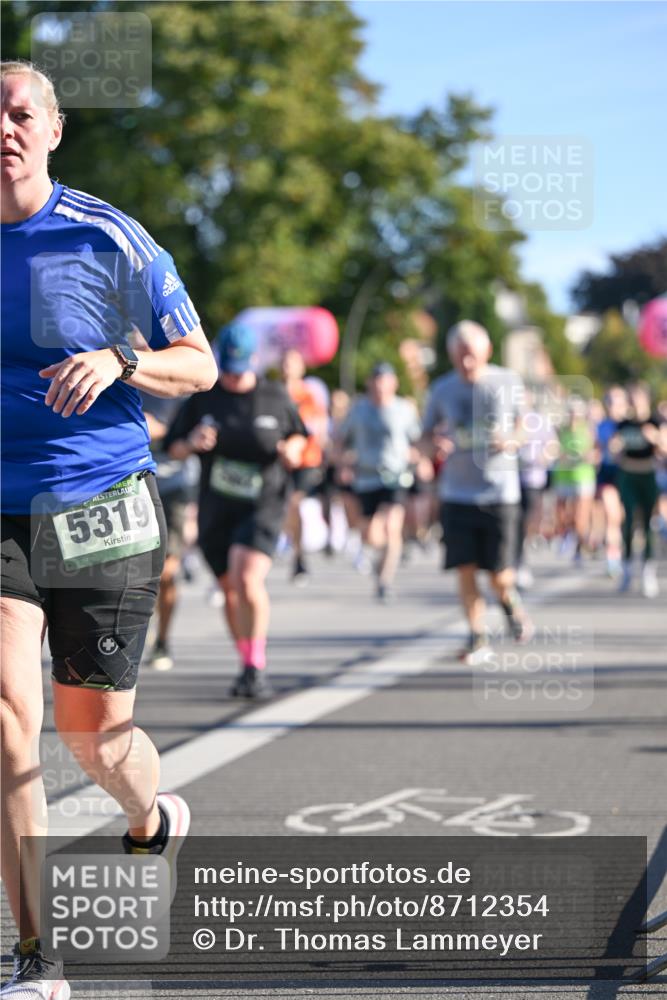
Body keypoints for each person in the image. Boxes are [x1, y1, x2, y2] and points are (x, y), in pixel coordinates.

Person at [0, 61, 217, 999]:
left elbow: (199, 364)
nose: (3, 128)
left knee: (94, 738)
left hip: (100, 504)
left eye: (19, 113)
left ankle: (150, 813)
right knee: (10, 724)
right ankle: (37, 957)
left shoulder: (106, 239)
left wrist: (123, 358)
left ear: (53, 129)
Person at [164, 324, 307, 698]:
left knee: (247, 578)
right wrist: (191, 443)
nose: (231, 376)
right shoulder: (203, 398)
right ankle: (246, 661)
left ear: (255, 362)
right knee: (229, 590)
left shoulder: (274, 395)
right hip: (218, 506)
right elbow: (171, 447)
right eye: (226, 368)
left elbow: (299, 434)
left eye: (239, 369)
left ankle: (256, 664)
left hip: (264, 502)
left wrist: (292, 448)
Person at [422, 321, 533, 664]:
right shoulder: (441, 390)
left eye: (471, 354)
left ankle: (510, 603)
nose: (466, 363)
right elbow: (423, 438)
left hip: (500, 493)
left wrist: (511, 441)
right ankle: (477, 636)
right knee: (465, 568)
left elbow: (525, 427)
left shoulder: (507, 381)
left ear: (486, 351)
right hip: (457, 493)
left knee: (499, 576)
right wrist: (433, 445)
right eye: (459, 356)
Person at [336, 362, 421, 602]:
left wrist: (420, 459)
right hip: (365, 477)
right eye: (376, 381)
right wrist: (342, 463)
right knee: (370, 535)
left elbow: (416, 439)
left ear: (393, 384)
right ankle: (382, 559)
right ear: (370, 384)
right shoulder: (359, 410)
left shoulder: (404, 409)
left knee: (392, 527)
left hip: (395, 475)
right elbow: (342, 439)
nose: (380, 387)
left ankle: (384, 581)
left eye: (385, 381)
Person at [140, 391, 199, 671]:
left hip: (172, 488)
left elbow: (193, 438)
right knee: (133, 573)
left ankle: (162, 640)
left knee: (166, 573)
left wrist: (160, 429)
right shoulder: (121, 377)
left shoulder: (179, 387)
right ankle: (133, 635)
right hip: (131, 487)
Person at [610, 382, 663, 597]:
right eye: (631, 398)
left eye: (637, 398)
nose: (634, 402)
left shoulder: (655, 422)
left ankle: (648, 571)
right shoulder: (624, 424)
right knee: (629, 520)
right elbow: (613, 452)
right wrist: (615, 446)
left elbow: (664, 448)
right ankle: (627, 570)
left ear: (646, 400)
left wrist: (656, 438)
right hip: (628, 475)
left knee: (650, 523)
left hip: (648, 475)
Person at [280, 349, 328, 584]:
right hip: (281, 460)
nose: (287, 366)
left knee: (293, 503)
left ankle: (299, 556)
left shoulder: (308, 396)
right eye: (285, 362)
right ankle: (295, 551)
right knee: (287, 508)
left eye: (293, 362)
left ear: (301, 368)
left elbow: (314, 427)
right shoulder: (275, 393)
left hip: (306, 460)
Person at [551, 397, 597, 563]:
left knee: (580, 516)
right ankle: (568, 537)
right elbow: (553, 448)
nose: (573, 417)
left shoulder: (588, 430)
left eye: (576, 413)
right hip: (563, 476)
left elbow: (595, 453)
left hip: (582, 476)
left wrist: (587, 456)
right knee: (562, 514)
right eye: (571, 413)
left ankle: (579, 545)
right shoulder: (560, 430)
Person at [593, 386, 628, 577]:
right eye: (611, 403)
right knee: (611, 516)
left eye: (619, 403)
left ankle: (624, 553)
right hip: (607, 474)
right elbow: (596, 449)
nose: (615, 407)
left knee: (623, 518)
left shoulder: (631, 425)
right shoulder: (602, 426)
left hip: (628, 475)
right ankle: (612, 559)